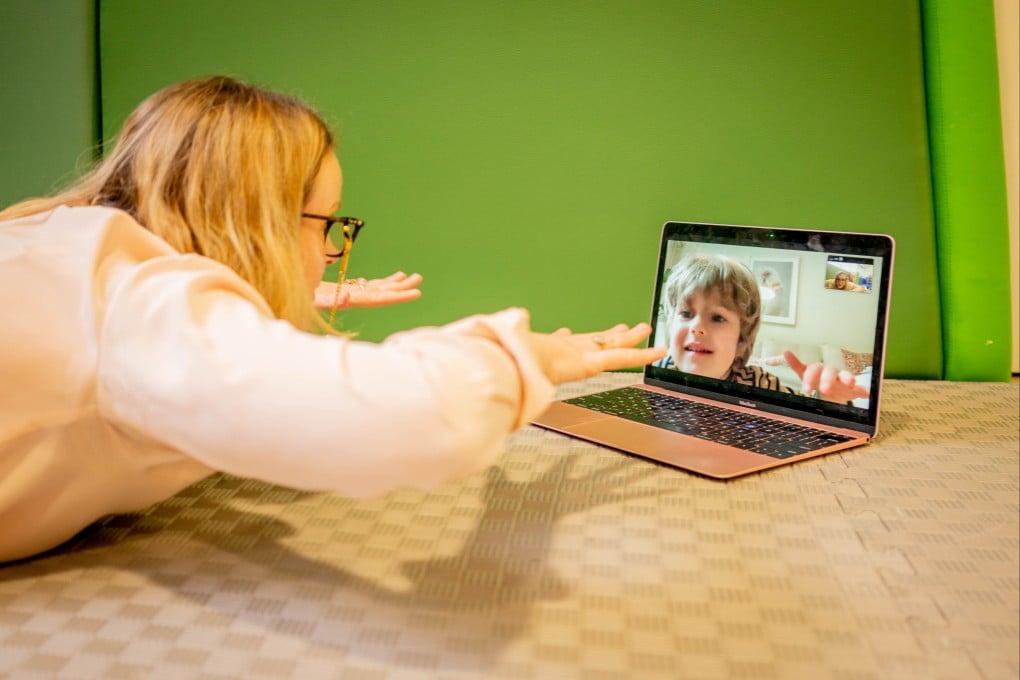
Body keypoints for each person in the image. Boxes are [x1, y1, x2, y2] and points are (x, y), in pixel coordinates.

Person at [0, 76, 665, 563]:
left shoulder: (63, 245)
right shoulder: (139, 313)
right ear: (258, 222)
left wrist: (277, 298)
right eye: (327, 223)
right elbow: (422, 417)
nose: (327, 251)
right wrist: (536, 358)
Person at [655, 254, 869, 401]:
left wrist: (826, 400)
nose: (697, 328)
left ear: (742, 338)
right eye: (685, 314)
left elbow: (803, 416)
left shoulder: (760, 382)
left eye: (717, 318)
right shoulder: (659, 370)